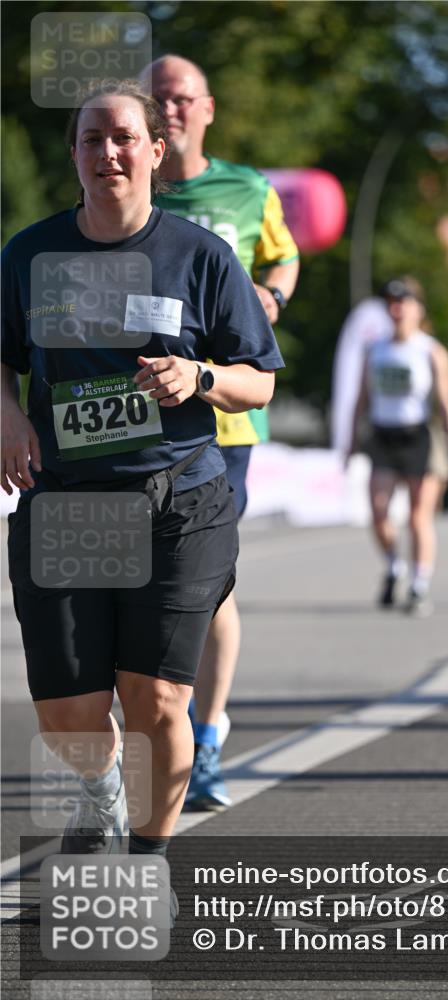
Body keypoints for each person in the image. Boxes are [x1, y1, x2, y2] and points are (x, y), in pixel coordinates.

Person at [0, 83, 283, 915]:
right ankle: (100, 799)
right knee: (70, 716)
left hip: (177, 499)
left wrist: (199, 376)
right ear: (74, 154)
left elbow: (259, 381)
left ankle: (148, 858)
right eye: (92, 139)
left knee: (156, 700)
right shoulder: (29, 254)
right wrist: (8, 415)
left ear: (156, 151)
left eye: (124, 137)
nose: (108, 153)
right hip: (65, 502)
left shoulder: (201, 255)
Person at [138, 55, 299, 811]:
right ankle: (140, 737)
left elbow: (285, 255)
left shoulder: (248, 188)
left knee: (206, 586)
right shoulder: (127, 183)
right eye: (156, 98)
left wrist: (271, 298)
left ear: (206, 109)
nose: (168, 109)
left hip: (224, 418)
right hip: (135, 418)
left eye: (180, 99)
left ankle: (203, 739)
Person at [347, 277, 448, 615]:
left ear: (419, 308)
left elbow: (447, 403)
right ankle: (394, 566)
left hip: (419, 437)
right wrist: (351, 442)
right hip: (383, 436)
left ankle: (419, 585)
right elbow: (361, 398)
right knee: (378, 512)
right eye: (392, 302)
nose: (397, 309)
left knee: (419, 517)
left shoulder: (430, 350)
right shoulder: (375, 349)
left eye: (404, 302)